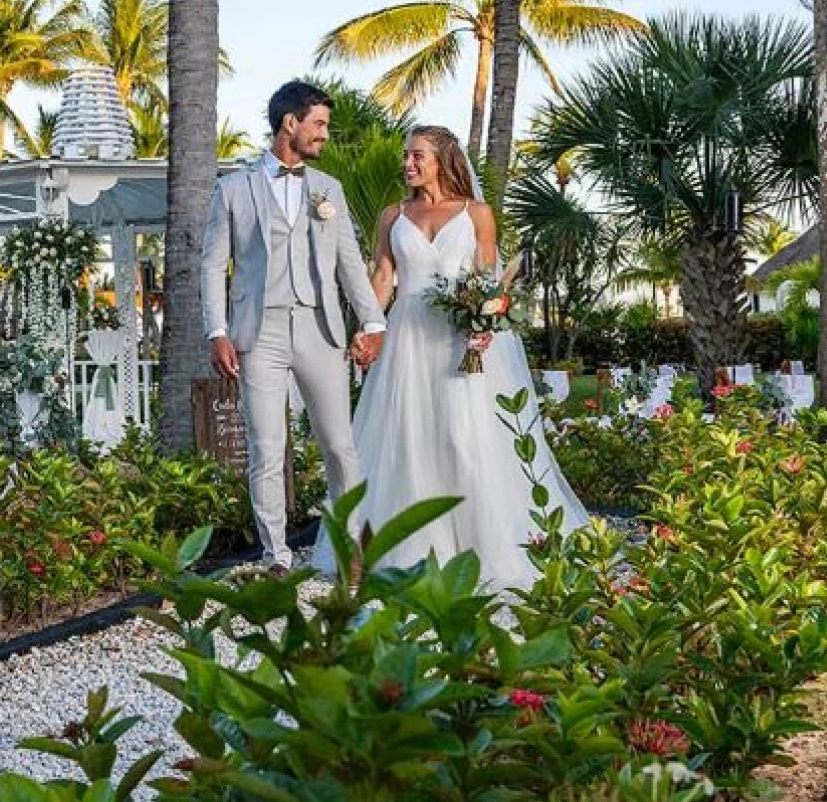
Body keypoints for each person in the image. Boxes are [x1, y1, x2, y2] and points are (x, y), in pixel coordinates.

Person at [327, 125, 581, 592]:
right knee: (408, 436)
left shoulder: (477, 214)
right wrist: (367, 329)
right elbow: (383, 278)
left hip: (459, 340)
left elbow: (491, 282)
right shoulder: (392, 215)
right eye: (405, 155)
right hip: (406, 337)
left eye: (416, 155)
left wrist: (487, 325)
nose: (407, 163)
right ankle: (412, 549)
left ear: (443, 159)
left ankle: (481, 545)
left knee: (463, 436)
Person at [201, 81, 386, 571]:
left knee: (340, 445)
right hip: (257, 333)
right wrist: (216, 331)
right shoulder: (232, 189)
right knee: (267, 446)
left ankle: (350, 551)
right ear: (291, 123)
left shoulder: (330, 190)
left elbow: (350, 262)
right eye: (319, 124)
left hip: (319, 328)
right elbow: (212, 265)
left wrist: (372, 321)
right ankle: (276, 555)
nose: (325, 134)